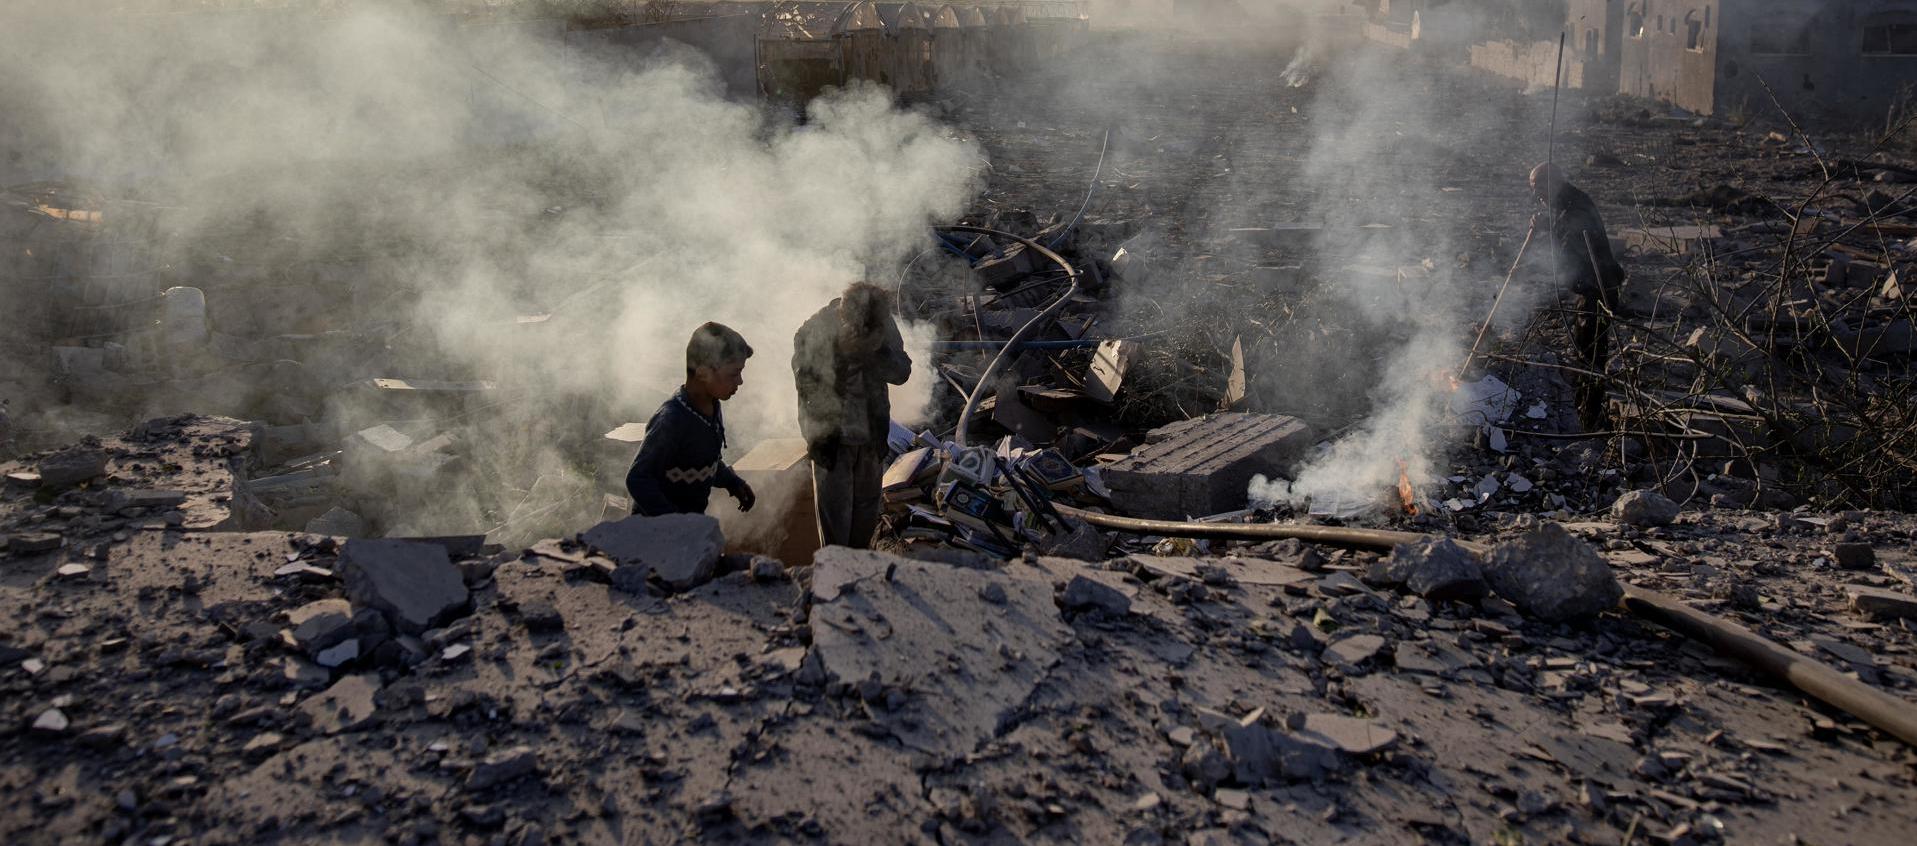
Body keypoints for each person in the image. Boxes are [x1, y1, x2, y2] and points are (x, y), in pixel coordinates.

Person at [792, 283, 913, 549]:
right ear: (844, 316)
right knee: (836, 533)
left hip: (871, 440)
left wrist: (877, 352)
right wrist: (841, 353)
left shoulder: (883, 325)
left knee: (865, 526)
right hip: (832, 443)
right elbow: (807, 384)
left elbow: (902, 372)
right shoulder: (816, 329)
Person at [1530, 162, 1626, 431]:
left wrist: (1549, 228)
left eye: (1539, 187)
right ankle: (1586, 408)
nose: (1537, 194)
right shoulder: (1565, 203)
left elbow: (1572, 240)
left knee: (1590, 354)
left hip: (1598, 287)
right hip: (1589, 287)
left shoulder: (1576, 205)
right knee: (1586, 350)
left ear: (1553, 182)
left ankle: (1589, 414)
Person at [625, 323, 757, 517]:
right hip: (655, 530)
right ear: (703, 373)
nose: (740, 381)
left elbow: (703, 461)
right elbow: (638, 478)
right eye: (733, 374)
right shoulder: (671, 420)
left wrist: (732, 482)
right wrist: (674, 522)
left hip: (689, 526)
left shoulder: (712, 407)